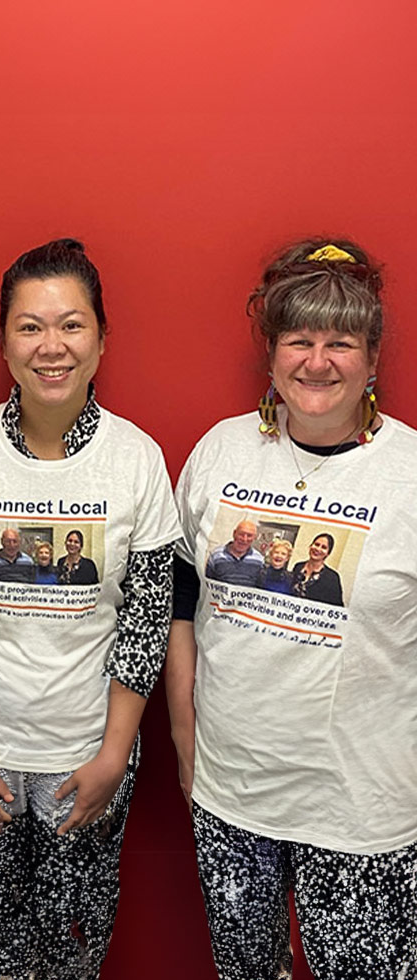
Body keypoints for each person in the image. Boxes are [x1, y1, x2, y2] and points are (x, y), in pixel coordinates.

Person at [0, 238, 179, 980]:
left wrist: (112, 758)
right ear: (2, 342)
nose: (51, 346)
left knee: (73, 948)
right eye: (30, 326)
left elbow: (147, 621)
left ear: (100, 338)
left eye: (71, 324)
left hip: (85, 761)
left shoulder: (135, 459)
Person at [166, 240, 417, 980]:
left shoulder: (408, 475)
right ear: (270, 357)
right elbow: (183, 600)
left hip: (362, 806)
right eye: (298, 341)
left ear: (372, 360)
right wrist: (185, 739)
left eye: (340, 342)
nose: (318, 361)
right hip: (233, 795)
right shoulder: (221, 452)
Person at [204, 519, 262, 585]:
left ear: (254, 537)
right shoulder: (216, 556)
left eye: (249, 536)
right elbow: (207, 583)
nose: (244, 539)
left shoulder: (259, 560)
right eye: (241, 534)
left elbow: (261, 586)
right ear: (234, 533)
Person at [291, 532, 343, 605]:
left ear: (328, 553)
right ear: (310, 546)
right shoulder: (298, 567)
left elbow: (337, 606)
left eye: (324, 547)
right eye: (317, 544)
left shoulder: (332, 577)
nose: (318, 549)